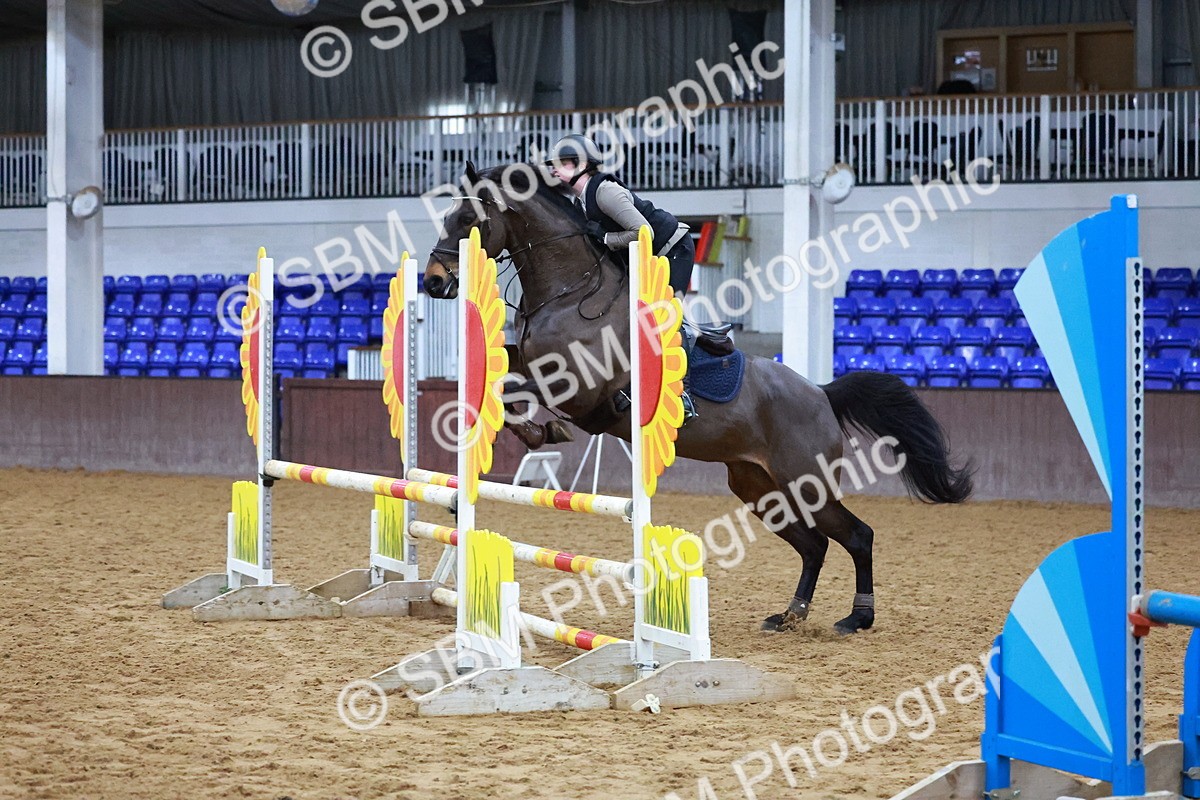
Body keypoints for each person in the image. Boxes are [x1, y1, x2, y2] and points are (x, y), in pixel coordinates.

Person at [545, 133, 699, 425]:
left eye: (561, 163)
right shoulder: (579, 202)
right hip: (642, 256)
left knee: (664, 314)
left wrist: (605, 237)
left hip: (672, 249)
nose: (553, 169)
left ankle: (684, 394)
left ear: (582, 165)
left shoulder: (604, 192)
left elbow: (643, 232)